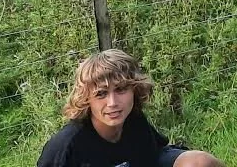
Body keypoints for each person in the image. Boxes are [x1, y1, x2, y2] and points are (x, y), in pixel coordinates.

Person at [39, 50, 223, 167]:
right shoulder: (66, 146)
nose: (112, 102)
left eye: (120, 90)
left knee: (199, 163)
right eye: (101, 94)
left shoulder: (134, 121)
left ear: (135, 89)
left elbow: (152, 157)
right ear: (87, 99)